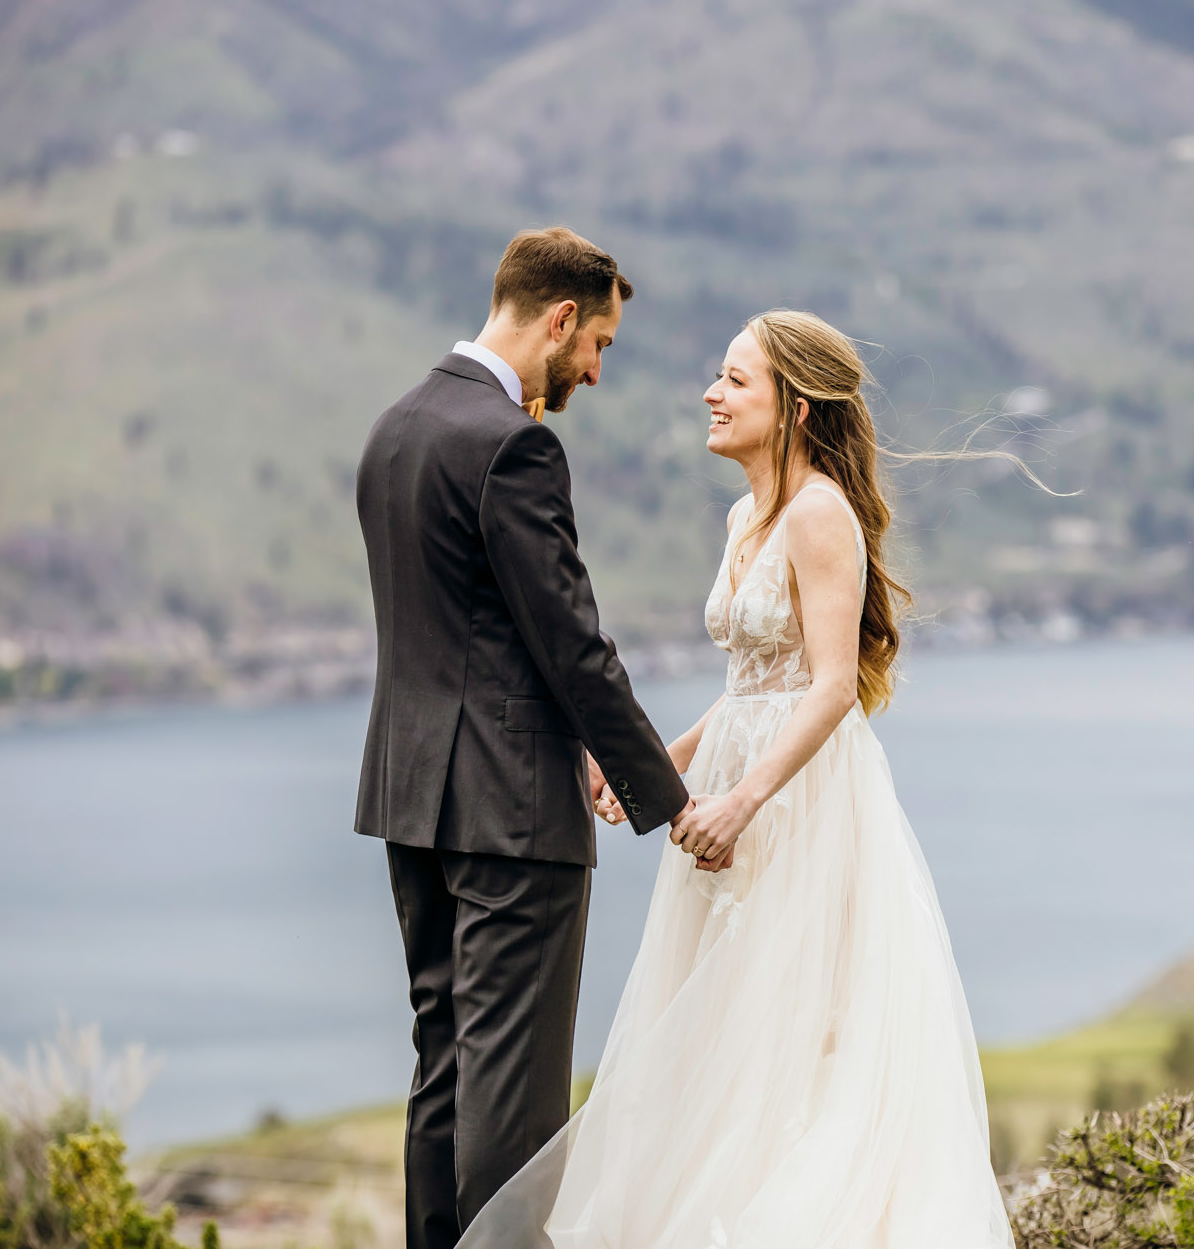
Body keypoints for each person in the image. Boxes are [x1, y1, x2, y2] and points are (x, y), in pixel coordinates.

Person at [455, 309, 1013, 1247]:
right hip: (724, 790)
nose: (711, 395)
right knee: (721, 1022)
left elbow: (832, 684)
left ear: (794, 406)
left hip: (796, 806)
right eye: (717, 377)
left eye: (736, 381)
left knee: (796, 1029)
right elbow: (754, 681)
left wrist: (746, 799)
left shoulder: (821, 512)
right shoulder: (741, 516)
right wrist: (665, 766)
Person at [352, 227, 710, 1249]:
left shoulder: (395, 427)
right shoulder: (511, 442)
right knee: (511, 1108)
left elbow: (473, 631)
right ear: (557, 317)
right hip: (510, 812)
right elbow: (569, 642)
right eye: (596, 341)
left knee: (447, 1073)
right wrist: (673, 802)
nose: (594, 370)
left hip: (411, 797)